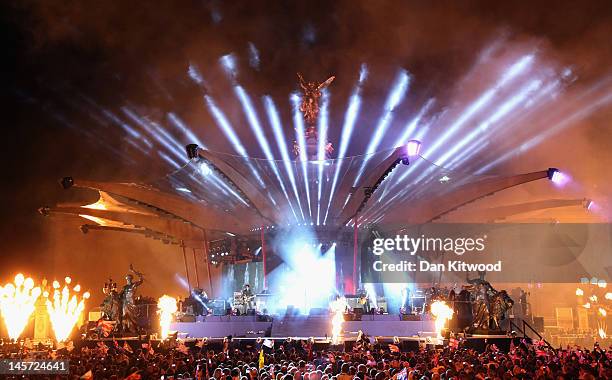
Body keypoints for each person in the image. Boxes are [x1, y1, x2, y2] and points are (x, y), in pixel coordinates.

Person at [120, 265, 144, 333]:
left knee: (132, 316)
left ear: (131, 279)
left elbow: (141, 280)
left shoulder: (134, 285)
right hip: (125, 303)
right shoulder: (124, 287)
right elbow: (120, 295)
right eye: (127, 279)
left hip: (131, 302)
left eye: (130, 279)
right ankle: (125, 328)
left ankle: (133, 328)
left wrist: (133, 271)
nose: (128, 280)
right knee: (125, 316)